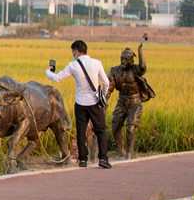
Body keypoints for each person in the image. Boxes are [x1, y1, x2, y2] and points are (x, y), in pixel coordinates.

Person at [45, 40, 111, 169]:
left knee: (81, 131)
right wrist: (101, 95)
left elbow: (57, 78)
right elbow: (106, 82)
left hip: (80, 103)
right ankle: (103, 159)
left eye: (72, 52)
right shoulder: (97, 63)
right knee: (100, 130)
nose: (72, 54)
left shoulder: (73, 65)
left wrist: (48, 71)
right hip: (95, 103)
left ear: (76, 52)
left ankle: (83, 160)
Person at [105, 34, 151, 159]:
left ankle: (129, 153)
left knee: (130, 128)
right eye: (122, 58)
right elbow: (109, 87)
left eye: (126, 59)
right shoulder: (114, 71)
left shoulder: (136, 70)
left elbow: (143, 67)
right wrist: (104, 100)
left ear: (132, 60)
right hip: (122, 100)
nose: (123, 61)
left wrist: (140, 50)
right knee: (115, 126)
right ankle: (121, 151)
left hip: (134, 101)